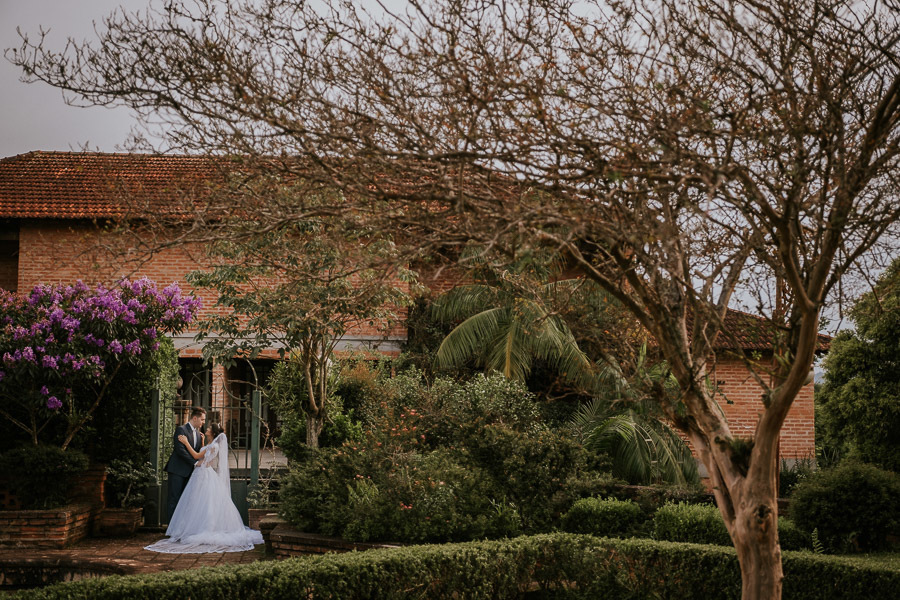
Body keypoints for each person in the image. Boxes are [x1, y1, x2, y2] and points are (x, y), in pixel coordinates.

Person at [146, 422, 263, 553]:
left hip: (203, 474)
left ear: (212, 432)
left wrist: (185, 442)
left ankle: (202, 528)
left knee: (203, 502)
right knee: (196, 502)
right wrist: (202, 441)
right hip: (200, 473)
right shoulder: (210, 444)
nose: (206, 428)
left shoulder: (214, 446)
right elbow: (203, 453)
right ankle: (192, 528)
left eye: (208, 428)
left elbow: (196, 456)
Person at [164, 406, 206, 525]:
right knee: (174, 499)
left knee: (185, 501)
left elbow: (197, 452)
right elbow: (180, 450)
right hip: (177, 470)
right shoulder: (181, 430)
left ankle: (181, 528)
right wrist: (195, 463)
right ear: (195, 418)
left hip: (189, 472)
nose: (203, 422)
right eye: (202, 420)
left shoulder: (199, 434)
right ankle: (171, 529)